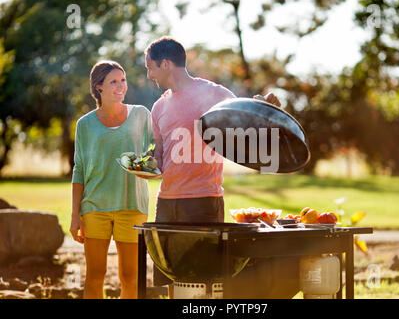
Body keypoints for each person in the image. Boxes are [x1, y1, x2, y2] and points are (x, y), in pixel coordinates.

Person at [144, 36, 281, 296]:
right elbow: (160, 154)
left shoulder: (214, 94)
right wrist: (146, 164)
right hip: (167, 202)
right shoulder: (159, 106)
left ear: (165, 64)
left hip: (204, 200)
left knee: (208, 277)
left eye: (150, 67)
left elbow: (247, 118)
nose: (149, 74)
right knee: (172, 277)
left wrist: (266, 105)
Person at [70, 60, 153, 299]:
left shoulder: (140, 115)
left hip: (132, 206)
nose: (120, 86)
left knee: (131, 277)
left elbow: (156, 150)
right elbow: (79, 170)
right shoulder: (85, 124)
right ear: (99, 88)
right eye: (113, 82)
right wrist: (76, 215)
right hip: (95, 207)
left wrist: (149, 164)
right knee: (95, 276)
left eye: (123, 80)